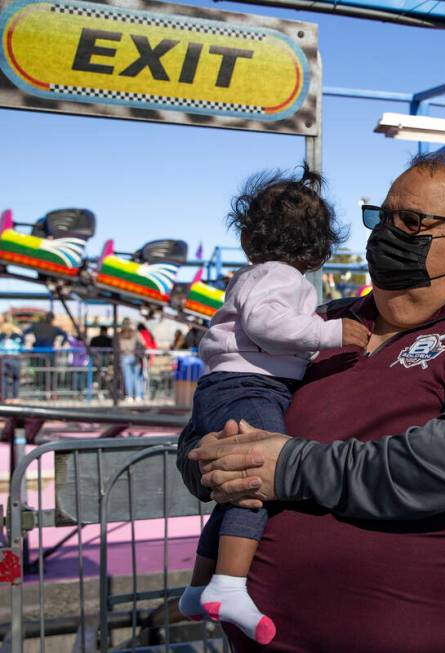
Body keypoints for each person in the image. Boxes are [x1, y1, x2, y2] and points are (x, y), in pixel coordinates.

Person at [177, 154, 445, 653]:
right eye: (381, 218)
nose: (386, 234)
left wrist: (289, 466)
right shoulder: (319, 323)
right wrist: (211, 461)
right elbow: (216, 410)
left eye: (411, 222)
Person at [176, 165, 370, 644]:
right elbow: (265, 324)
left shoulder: (258, 273)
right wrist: (329, 334)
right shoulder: (281, 278)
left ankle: (200, 585)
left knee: (230, 495)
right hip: (251, 386)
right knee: (255, 478)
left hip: (233, 386)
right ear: (317, 244)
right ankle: (230, 585)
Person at [117, 318, 145, 401]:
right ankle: (138, 395)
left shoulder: (120, 334)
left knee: (128, 378)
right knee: (137, 377)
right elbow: (143, 343)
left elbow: (120, 347)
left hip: (125, 356)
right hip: (135, 356)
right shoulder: (135, 333)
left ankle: (129, 396)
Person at [0, 319, 23, 400]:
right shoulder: (17, 335)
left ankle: (4, 397)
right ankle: (15, 397)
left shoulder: (1, 335)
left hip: (4, 358)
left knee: (4, 379)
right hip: (15, 358)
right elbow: (22, 347)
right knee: (16, 378)